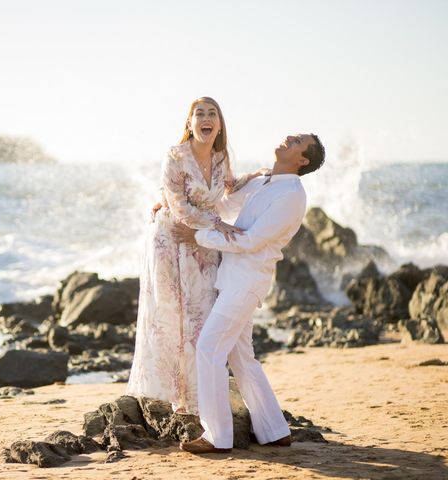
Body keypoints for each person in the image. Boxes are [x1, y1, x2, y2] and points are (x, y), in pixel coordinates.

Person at [173, 133, 326, 453]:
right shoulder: (265, 183)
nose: (289, 138)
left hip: (247, 281)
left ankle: (216, 436)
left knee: (209, 348)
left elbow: (251, 241)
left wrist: (197, 236)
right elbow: (222, 205)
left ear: (302, 161)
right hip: (233, 278)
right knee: (241, 356)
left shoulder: (292, 196)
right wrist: (178, 202)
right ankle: (274, 429)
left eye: (298, 141)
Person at [126, 97, 264, 414]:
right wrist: (217, 224)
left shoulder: (219, 157)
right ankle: (171, 395)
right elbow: (178, 207)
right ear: (189, 123)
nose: (205, 117)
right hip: (171, 240)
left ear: (219, 125)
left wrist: (254, 178)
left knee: (201, 314)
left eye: (211, 113)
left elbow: (227, 188)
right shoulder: (175, 156)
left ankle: (195, 397)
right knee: (171, 314)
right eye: (198, 113)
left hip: (201, 241)